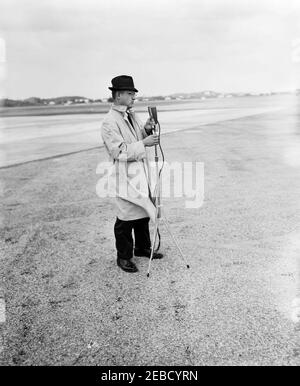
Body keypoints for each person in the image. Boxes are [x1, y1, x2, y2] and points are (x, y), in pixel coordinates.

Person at [101, 75, 163, 273]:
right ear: (118, 95)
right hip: (124, 175)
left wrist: (145, 130)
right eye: (129, 93)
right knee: (126, 217)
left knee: (143, 211)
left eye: (133, 93)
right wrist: (144, 144)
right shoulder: (109, 122)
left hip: (140, 173)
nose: (133, 97)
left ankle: (142, 248)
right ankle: (124, 256)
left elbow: (137, 137)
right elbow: (118, 151)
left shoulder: (131, 115)